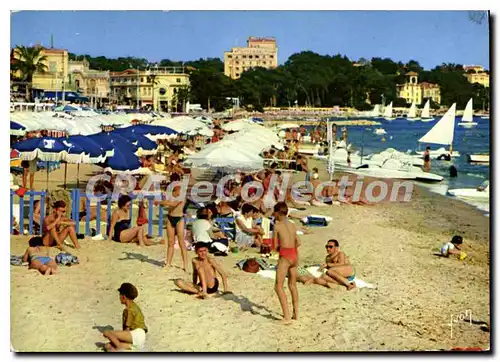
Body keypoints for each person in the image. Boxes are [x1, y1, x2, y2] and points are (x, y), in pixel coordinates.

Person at [272, 202, 300, 324]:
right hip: (295, 254)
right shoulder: (293, 225)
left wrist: (279, 250)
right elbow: (298, 242)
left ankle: (287, 316)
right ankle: (296, 313)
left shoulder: (277, 226)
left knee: (278, 286)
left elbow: (274, 245)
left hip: (286, 256)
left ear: (278, 213)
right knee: (292, 285)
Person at [103, 283, 148, 352]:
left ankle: (120, 348)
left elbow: (127, 329)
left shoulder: (129, 310)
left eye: (120, 295)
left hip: (136, 335)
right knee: (108, 346)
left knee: (107, 333)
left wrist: (118, 341)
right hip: (140, 338)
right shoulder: (135, 306)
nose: (119, 298)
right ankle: (130, 348)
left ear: (123, 296)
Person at [158, 173, 188, 272]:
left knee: (181, 242)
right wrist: (162, 203)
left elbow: (174, 204)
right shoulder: (169, 192)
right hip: (170, 217)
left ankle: (185, 265)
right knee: (170, 242)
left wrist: (161, 202)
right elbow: (166, 204)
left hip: (179, 218)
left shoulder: (182, 193)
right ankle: (168, 263)